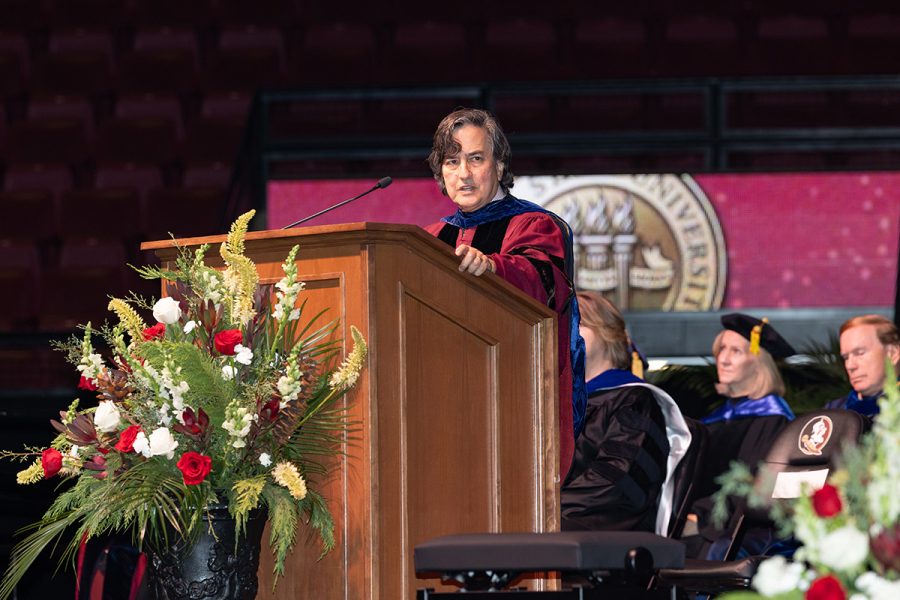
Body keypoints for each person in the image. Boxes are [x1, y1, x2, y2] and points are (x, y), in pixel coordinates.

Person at [424, 108, 586, 474]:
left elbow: (543, 283)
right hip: (442, 407)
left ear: (498, 167)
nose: (463, 174)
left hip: (514, 405)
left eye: (475, 159)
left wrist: (494, 267)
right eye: (451, 161)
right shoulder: (429, 239)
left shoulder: (534, 224)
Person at [561, 291, 691, 535]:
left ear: (607, 333)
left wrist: (546, 510)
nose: (566, 332)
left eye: (578, 322)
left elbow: (617, 482)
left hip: (600, 536)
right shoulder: (554, 405)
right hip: (551, 527)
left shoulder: (635, 400)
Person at [690, 313, 797, 559]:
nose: (724, 360)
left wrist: (698, 516)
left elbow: (753, 485)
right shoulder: (716, 419)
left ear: (759, 361)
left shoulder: (774, 420)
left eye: (736, 351)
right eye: (721, 350)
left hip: (736, 531)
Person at [824, 314, 900, 417]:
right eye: (846, 358)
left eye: (859, 353)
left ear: (892, 354)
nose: (850, 366)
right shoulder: (832, 413)